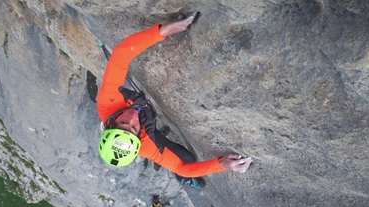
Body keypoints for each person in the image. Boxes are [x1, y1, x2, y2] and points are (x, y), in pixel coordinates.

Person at [96, 12, 252, 189]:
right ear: (138, 137)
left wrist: (161, 32)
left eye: (123, 122)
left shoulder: (107, 103)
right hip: (151, 135)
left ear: (111, 123)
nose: (131, 118)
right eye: (133, 127)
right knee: (187, 158)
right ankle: (182, 179)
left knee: (160, 134)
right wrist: (221, 164)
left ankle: (156, 130)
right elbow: (181, 167)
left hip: (144, 124)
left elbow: (119, 56)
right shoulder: (145, 145)